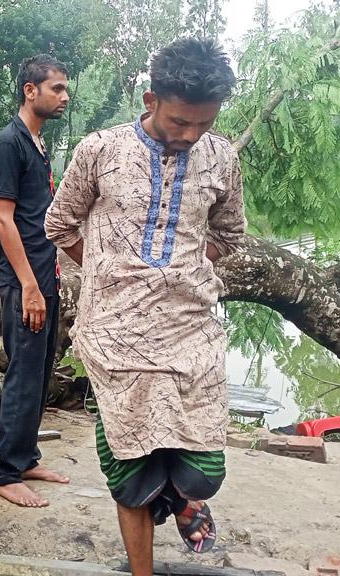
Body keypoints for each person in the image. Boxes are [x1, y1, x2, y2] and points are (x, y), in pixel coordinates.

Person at [45, 37, 245, 570]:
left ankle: (183, 497)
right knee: (133, 477)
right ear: (150, 98)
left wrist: (184, 269)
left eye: (202, 124)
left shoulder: (221, 157)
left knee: (204, 468)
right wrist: (109, 268)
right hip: (114, 334)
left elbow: (229, 231)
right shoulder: (101, 151)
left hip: (189, 331)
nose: (190, 135)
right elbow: (59, 224)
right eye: (180, 121)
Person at [0, 54, 72, 508]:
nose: (65, 96)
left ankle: (25, 456)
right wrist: (29, 286)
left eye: (65, 88)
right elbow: (4, 220)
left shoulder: (38, 145)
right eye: (56, 87)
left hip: (45, 273)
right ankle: (3, 471)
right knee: (23, 372)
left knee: (40, 371)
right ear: (30, 90)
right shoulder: (9, 143)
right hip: (24, 281)